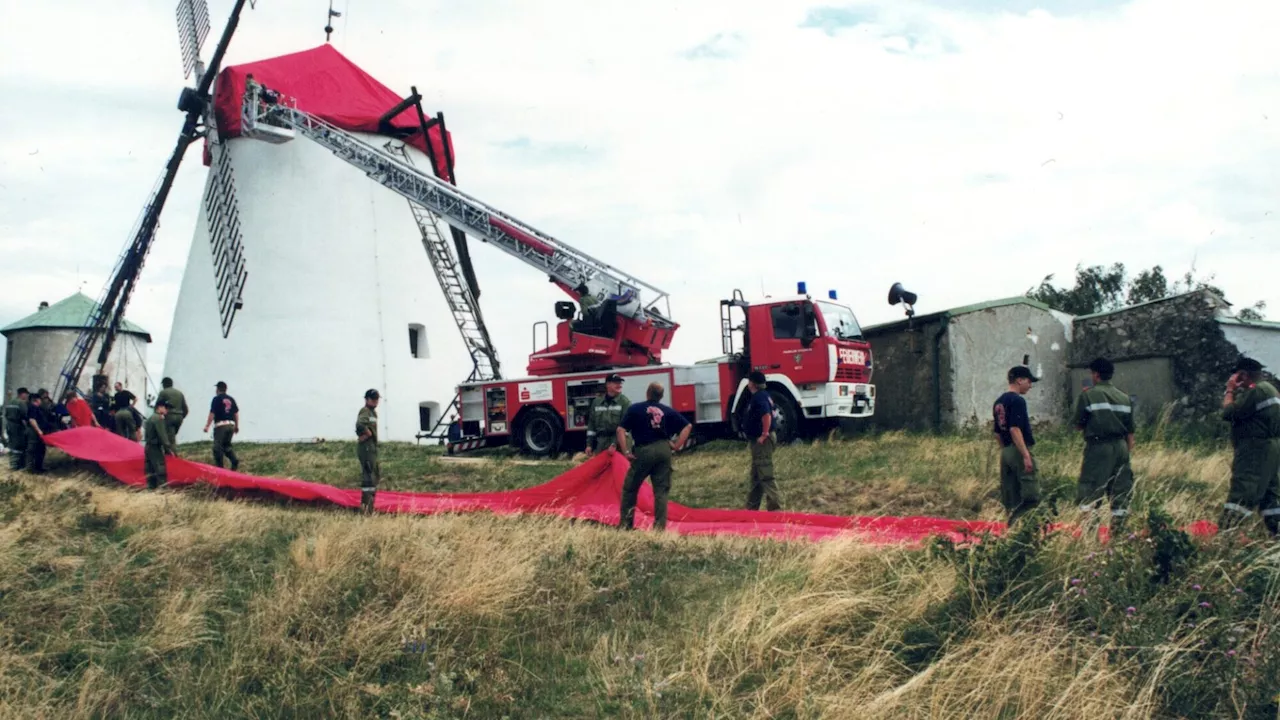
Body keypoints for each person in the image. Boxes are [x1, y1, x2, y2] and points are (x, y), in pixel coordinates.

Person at [615, 382, 692, 531]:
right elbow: (687, 426)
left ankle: (626, 525)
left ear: (647, 393)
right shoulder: (667, 411)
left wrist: (626, 452)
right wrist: (676, 445)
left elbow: (620, 430)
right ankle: (659, 528)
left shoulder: (635, 409)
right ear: (661, 396)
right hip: (664, 449)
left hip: (644, 450)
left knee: (630, 488)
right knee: (661, 491)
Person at [1072, 357, 1136, 531]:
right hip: (1122, 447)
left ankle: (1089, 534)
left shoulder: (1088, 395)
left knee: (1091, 489)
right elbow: (1131, 433)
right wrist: (1126, 453)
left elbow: (1078, 425)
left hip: (1098, 447)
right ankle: (1120, 534)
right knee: (1120, 491)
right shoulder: (1125, 398)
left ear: (1096, 374)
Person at [1219, 357, 1280, 537]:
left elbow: (1228, 413)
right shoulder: (1271, 390)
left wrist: (1230, 390)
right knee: (1270, 493)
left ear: (1243, 375)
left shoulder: (1255, 391)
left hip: (1255, 450)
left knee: (1244, 488)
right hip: (1272, 449)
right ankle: (1276, 531)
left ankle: (1227, 533)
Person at [993, 365, 1040, 524]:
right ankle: (1028, 527)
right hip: (1018, 448)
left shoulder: (999, 402)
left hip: (1005, 451)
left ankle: (1012, 527)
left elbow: (997, 433)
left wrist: (1005, 451)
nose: (1030, 385)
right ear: (1019, 380)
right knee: (1029, 492)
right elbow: (1015, 429)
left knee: (1011, 495)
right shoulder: (1018, 400)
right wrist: (1025, 455)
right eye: (1028, 381)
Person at [743, 371, 782, 511]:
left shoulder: (759, 398)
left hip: (762, 441)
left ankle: (775, 508)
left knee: (765, 474)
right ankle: (751, 508)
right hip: (759, 440)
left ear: (752, 383)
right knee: (756, 476)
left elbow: (766, 415)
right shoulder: (764, 395)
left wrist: (764, 434)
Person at [585, 373, 631, 457]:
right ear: (608, 384)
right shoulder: (597, 402)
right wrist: (589, 445)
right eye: (616, 383)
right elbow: (591, 426)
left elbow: (624, 428)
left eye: (620, 383)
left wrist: (614, 444)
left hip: (619, 444)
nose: (619, 385)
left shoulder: (625, 402)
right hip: (601, 444)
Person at [203, 381, 240, 471]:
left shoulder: (216, 399)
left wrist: (207, 426)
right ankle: (234, 461)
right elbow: (236, 413)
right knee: (226, 446)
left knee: (217, 447)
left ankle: (220, 469)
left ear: (218, 389)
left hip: (221, 425)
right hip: (231, 425)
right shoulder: (231, 399)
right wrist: (236, 426)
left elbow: (212, 413)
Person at [356, 389, 381, 514]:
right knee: (368, 476)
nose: (376, 401)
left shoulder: (373, 413)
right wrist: (367, 433)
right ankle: (366, 506)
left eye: (377, 399)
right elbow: (360, 424)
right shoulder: (365, 411)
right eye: (373, 399)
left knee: (374, 474)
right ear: (367, 399)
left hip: (372, 447)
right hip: (366, 447)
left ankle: (370, 504)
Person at [143, 399, 177, 490]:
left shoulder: (150, 418)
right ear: (160, 407)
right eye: (166, 408)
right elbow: (163, 436)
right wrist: (169, 449)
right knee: (160, 468)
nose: (167, 410)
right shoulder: (159, 418)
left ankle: (151, 488)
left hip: (148, 446)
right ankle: (164, 489)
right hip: (155, 448)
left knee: (150, 470)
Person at [3, 388, 30, 471]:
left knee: (12, 444)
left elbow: (6, 414)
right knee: (19, 445)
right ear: (22, 394)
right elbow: (25, 415)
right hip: (18, 427)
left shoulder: (9, 402)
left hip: (9, 425)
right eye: (26, 394)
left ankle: (13, 464)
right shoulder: (21, 403)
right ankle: (17, 466)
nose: (27, 396)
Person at [24, 393, 51, 473]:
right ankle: (30, 468)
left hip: (39, 432)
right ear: (36, 400)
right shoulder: (32, 407)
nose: (41, 401)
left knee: (41, 449)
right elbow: (32, 420)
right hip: (34, 432)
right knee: (32, 449)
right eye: (40, 400)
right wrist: (39, 430)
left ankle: (38, 467)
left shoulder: (38, 408)